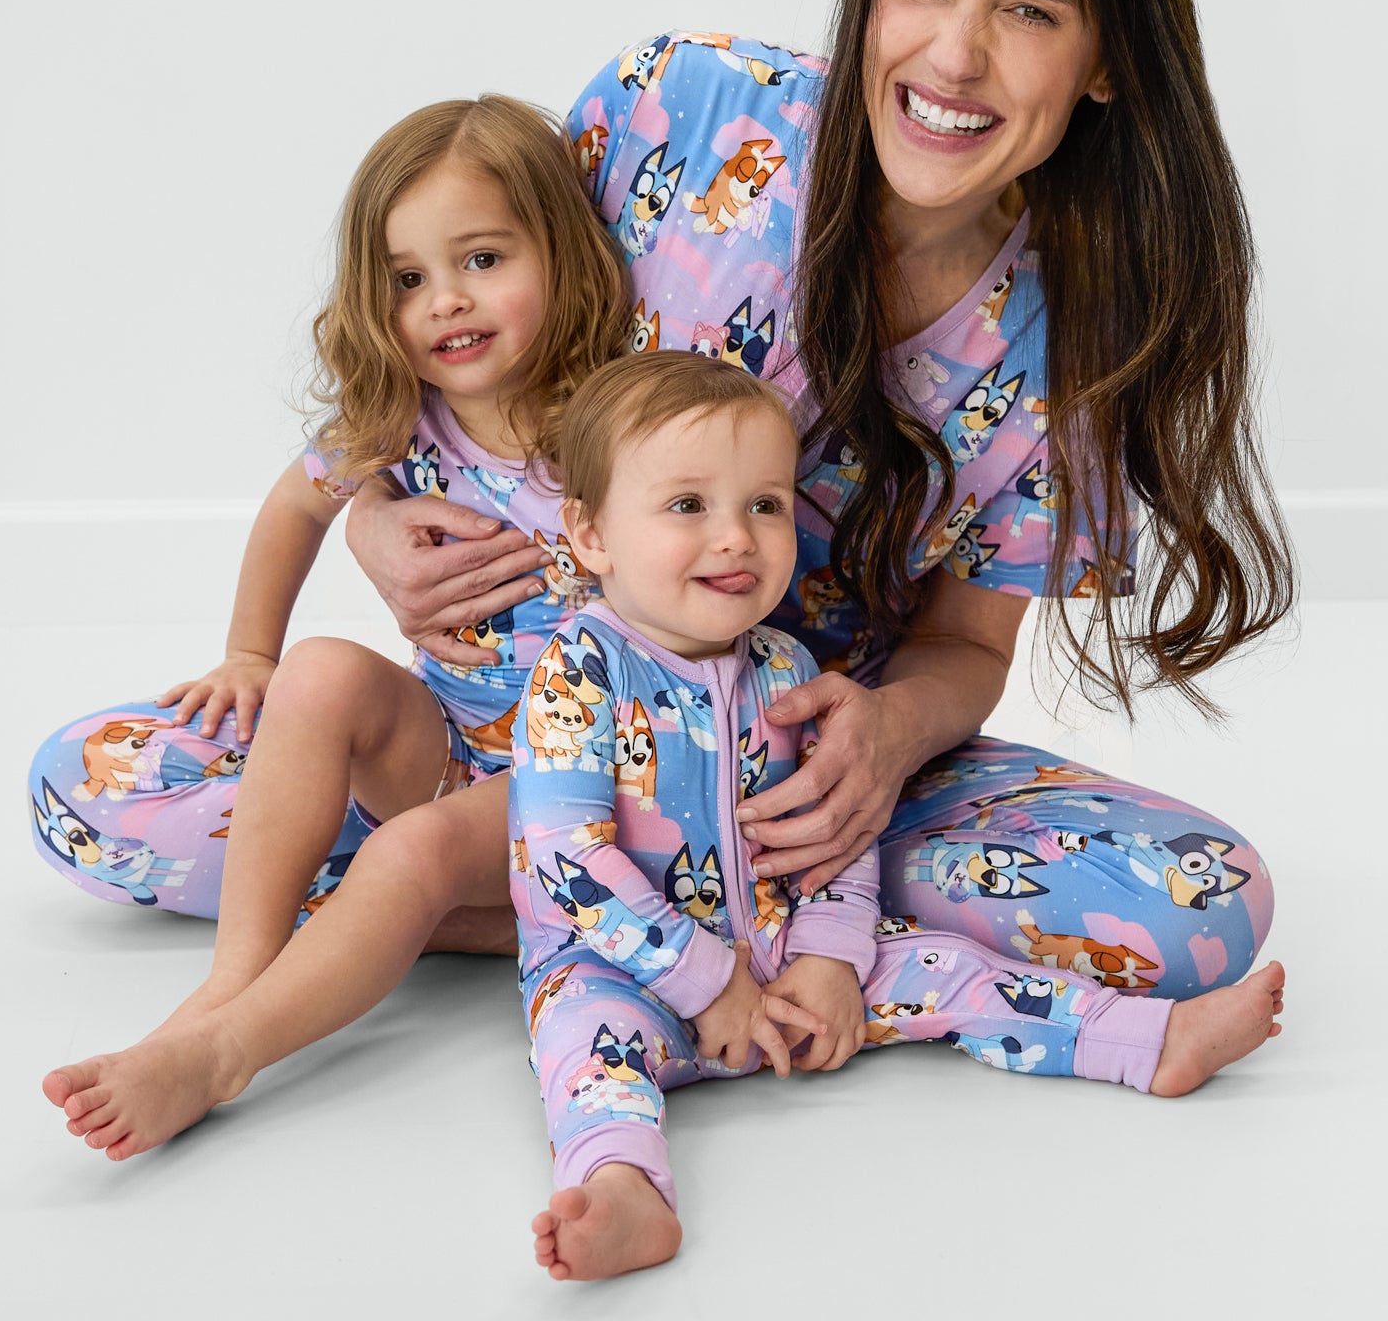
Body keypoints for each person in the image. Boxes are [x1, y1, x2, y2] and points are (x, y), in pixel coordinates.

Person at [32, 0, 1290, 1034]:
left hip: (776, 789)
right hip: (495, 731)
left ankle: (489, 901)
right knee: (86, 790)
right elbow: (465, 317)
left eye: (1027, 11)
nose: (953, 55)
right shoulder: (682, 107)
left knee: (1199, 906)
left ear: (1107, 59)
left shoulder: (1079, 352)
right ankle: (575, 893)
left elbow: (968, 647)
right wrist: (370, 514)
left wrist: (885, 736)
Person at [516, 351, 1283, 1282]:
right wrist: (705, 982)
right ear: (590, 533)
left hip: (788, 960)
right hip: (627, 975)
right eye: (688, 506)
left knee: (956, 970)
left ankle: (1146, 1044)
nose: (736, 538)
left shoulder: (788, 668)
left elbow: (845, 827)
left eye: (765, 505)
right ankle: (625, 1189)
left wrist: (831, 958)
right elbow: (566, 860)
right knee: (585, 1054)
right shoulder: (579, 672)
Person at [39, 94, 628, 1157]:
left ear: (565, 254)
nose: (446, 300)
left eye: (483, 258)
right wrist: (250, 655)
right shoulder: (403, 419)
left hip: (585, 787)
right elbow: (293, 508)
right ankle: (236, 975)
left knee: (406, 852)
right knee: (318, 671)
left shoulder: (619, 417)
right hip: (451, 750)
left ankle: (233, 1048)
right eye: (407, 279)